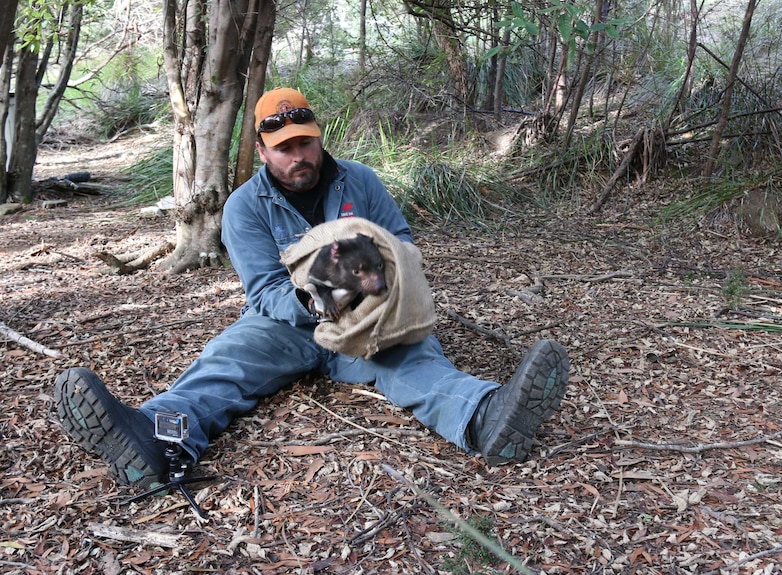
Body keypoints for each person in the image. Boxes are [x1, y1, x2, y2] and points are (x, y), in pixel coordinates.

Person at [54, 88, 570, 490]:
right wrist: (320, 299)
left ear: (319, 136)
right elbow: (265, 292)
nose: (298, 155)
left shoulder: (361, 181)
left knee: (413, 362)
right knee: (226, 361)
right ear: (261, 150)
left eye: (306, 141)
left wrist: (383, 280)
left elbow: (405, 243)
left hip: (370, 318)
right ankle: (157, 440)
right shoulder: (243, 207)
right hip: (287, 325)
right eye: (284, 148)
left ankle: (485, 418)